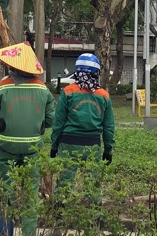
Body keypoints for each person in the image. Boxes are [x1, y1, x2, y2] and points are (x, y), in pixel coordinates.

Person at [0, 41, 55, 236]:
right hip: (33, 149)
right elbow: (50, 120)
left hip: (4, 148)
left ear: (13, 65)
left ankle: (5, 233)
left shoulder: (1, 87)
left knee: (4, 193)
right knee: (30, 195)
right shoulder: (43, 89)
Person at [49, 52, 115, 222]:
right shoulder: (104, 95)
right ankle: (96, 218)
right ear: (96, 73)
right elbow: (108, 127)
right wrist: (108, 149)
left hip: (68, 143)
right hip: (92, 145)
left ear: (77, 72)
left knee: (65, 180)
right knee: (93, 181)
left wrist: (54, 145)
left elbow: (59, 122)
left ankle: (59, 216)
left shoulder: (68, 91)